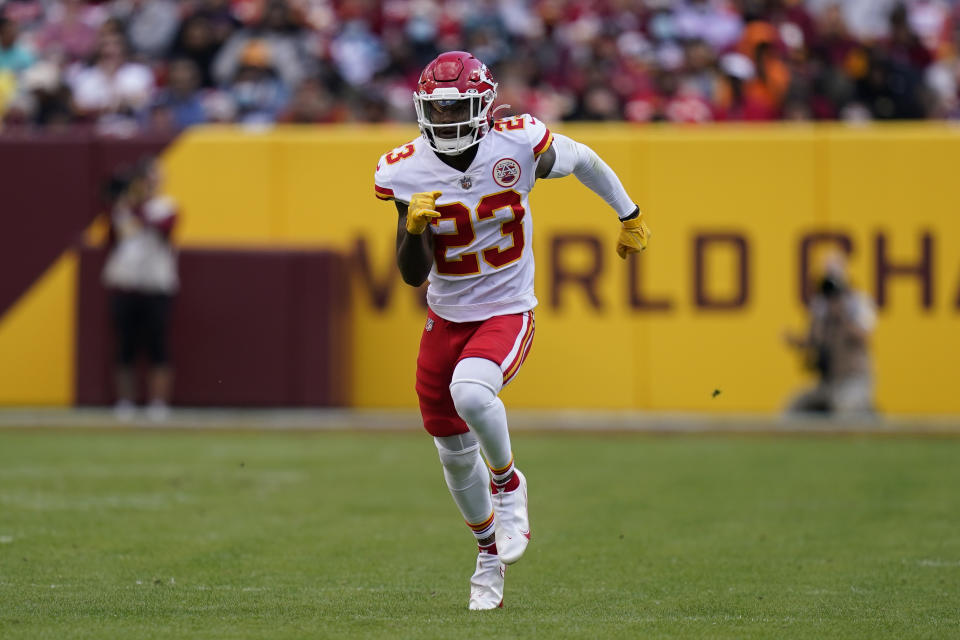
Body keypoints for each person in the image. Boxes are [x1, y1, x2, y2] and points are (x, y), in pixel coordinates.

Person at [373, 51, 650, 610]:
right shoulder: (403, 168)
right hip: (445, 313)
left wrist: (629, 214)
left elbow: (585, 159)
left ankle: (508, 483)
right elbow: (411, 275)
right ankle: (486, 559)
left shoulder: (519, 142)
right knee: (450, 448)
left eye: (457, 107)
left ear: (483, 104)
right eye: (439, 109)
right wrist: (411, 227)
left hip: (506, 307)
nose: (448, 119)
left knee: (472, 392)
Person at [102, 159, 179, 422]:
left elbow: (164, 230)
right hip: (125, 283)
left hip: (156, 284)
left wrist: (138, 206)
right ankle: (126, 402)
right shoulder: (122, 209)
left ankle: (158, 403)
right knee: (125, 347)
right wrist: (121, 203)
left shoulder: (165, 206)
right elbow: (112, 240)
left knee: (158, 346)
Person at [784, 258, 876, 416]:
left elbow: (863, 337)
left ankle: (868, 418)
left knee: (843, 410)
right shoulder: (821, 307)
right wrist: (797, 341)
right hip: (828, 382)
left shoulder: (857, 303)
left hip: (854, 380)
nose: (831, 297)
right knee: (794, 408)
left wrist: (842, 316)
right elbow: (814, 340)